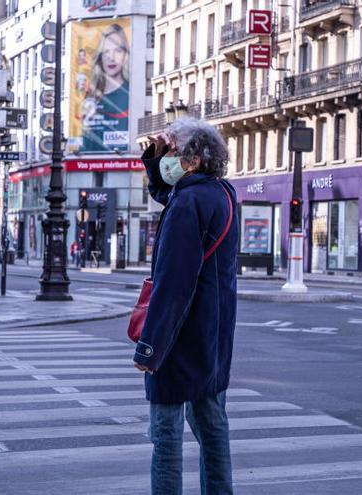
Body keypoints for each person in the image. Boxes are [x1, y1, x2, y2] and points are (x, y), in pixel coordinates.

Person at [132, 117, 238, 494]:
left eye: (173, 151)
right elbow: (172, 195)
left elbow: (174, 286)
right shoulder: (221, 193)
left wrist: (151, 346)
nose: (167, 157)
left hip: (179, 338)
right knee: (212, 428)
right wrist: (153, 162)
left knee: (165, 436)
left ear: (192, 160)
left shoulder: (187, 204)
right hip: (213, 335)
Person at [81, 24, 130, 152]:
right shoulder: (90, 95)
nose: (111, 57)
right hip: (87, 161)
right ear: (100, 56)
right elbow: (85, 136)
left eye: (118, 50)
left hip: (123, 157)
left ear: (125, 54)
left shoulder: (131, 92)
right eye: (106, 52)